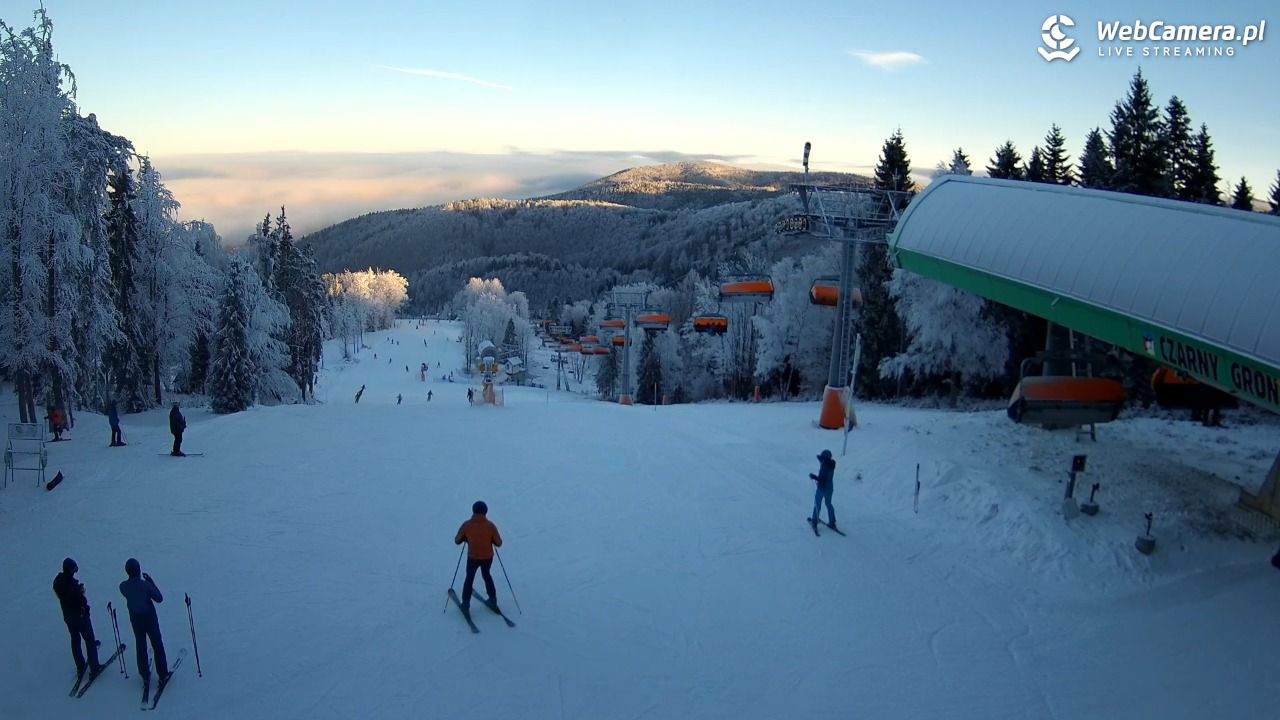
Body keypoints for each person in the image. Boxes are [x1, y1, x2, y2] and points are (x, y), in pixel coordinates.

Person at [119, 558, 169, 687]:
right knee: (157, 645)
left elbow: (124, 589)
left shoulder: (124, 586)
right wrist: (151, 581)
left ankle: (144, 675)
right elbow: (159, 598)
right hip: (149, 618)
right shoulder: (145, 586)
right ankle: (163, 674)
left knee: (140, 645)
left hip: (135, 619)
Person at [53, 558, 103, 678]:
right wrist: (81, 593)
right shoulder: (72, 586)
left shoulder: (58, 582)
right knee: (89, 639)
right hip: (79, 616)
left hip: (68, 616)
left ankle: (80, 666)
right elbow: (80, 601)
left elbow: (66, 596)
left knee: (75, 639)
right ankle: (94, 667)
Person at [454, 501, 503, 610]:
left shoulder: (467, 525)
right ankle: (493, 600)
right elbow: (499, 543)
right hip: (487, 557)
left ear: (473, 511)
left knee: (469, 577)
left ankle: (465, 603)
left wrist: (465, 538)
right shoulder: (490, 526)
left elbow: (457, 540)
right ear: (485, 512)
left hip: (473, 557)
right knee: (486, 575)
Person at [809, 449, 837, 530]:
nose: (820, 460)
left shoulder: (824, 466)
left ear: (824, 459)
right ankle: (832, 522)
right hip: (829, 489)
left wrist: (814, 477)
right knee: (828, 504)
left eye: (822, 458)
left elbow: (822, 479)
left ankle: (814, 521)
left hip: (822, 488)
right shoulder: (831, 464)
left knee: (817, 504)